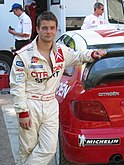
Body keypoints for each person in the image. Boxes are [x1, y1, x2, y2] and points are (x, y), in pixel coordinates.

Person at [9, 11, 106, 165]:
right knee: (27, 148)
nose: (49, 32)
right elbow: (17, 86)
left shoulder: (61, 50)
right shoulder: (24, 56)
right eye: (45, 28)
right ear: (37, 29)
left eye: (52, 28)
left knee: (48, 149)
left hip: (50, 104)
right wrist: (22, 112)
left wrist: (93, 54)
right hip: (30, 104)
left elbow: (78, 56)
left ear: (56, 29)